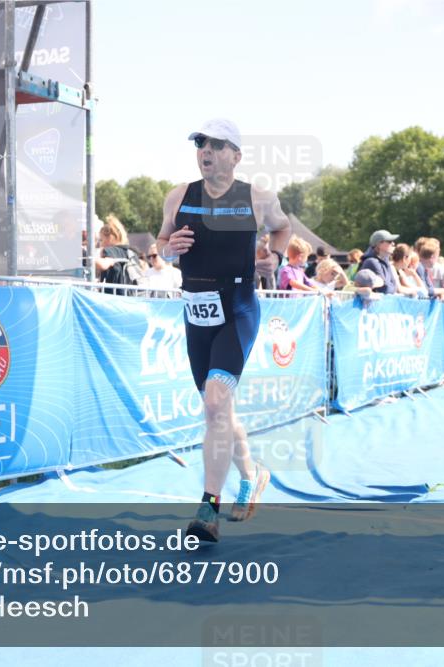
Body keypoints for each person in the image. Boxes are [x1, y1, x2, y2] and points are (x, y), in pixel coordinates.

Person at [157, 119, 290, 542]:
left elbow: (283, 228)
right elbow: (161, 243)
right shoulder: (178, 195)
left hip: (237, 309)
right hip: (196, 313)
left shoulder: (257, 197)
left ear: (236, 155)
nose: (206, 151)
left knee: (215, 402)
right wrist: (168, 250)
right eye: (200, 143)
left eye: (215, 144)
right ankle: (251, 475)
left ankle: (207, 509)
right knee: (219, 410)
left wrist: (276, 258)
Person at [96, 215, 144, 293]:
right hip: (131, 297)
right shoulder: (132, 252)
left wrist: (87, 258)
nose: (100, 244)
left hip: (113, 297)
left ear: (110, 238)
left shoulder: (111, 251)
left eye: (101, 240)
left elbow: (103, 264)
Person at [357, 229, 398, 294]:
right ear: (379, 244)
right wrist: (392, 287)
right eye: (389, 241)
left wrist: (392, 287)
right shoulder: (371, 261)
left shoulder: (385, 260)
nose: (393, 244)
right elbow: (386, 289)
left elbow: (394, 285)